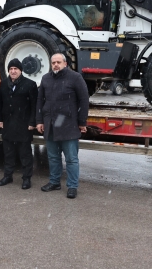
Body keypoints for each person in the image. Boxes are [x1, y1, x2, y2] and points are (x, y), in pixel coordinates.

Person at [36, 53, 89, 199]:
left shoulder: (75, 78)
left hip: (69, 125)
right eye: (53, 62)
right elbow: (40, 101)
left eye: (58, 62)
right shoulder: (46, 78)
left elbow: (84, 100)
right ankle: (54, 182)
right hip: (51, 124)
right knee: (53, 157)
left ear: (65, 63)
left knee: (71, 158)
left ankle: (72, 186)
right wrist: (39, 120)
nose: (55, 65)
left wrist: (82, 122)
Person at [0, 58, 38, 190]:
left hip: (24, 125)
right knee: (8, 153)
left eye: (16, 69)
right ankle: (8, 176)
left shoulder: (30, 85)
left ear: (21, 70)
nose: (13, 71)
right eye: (11, 69)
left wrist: (32, 122)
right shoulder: (3, 84)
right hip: (8, 124)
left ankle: (26, 178)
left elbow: (34, 106)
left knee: (25, 154)